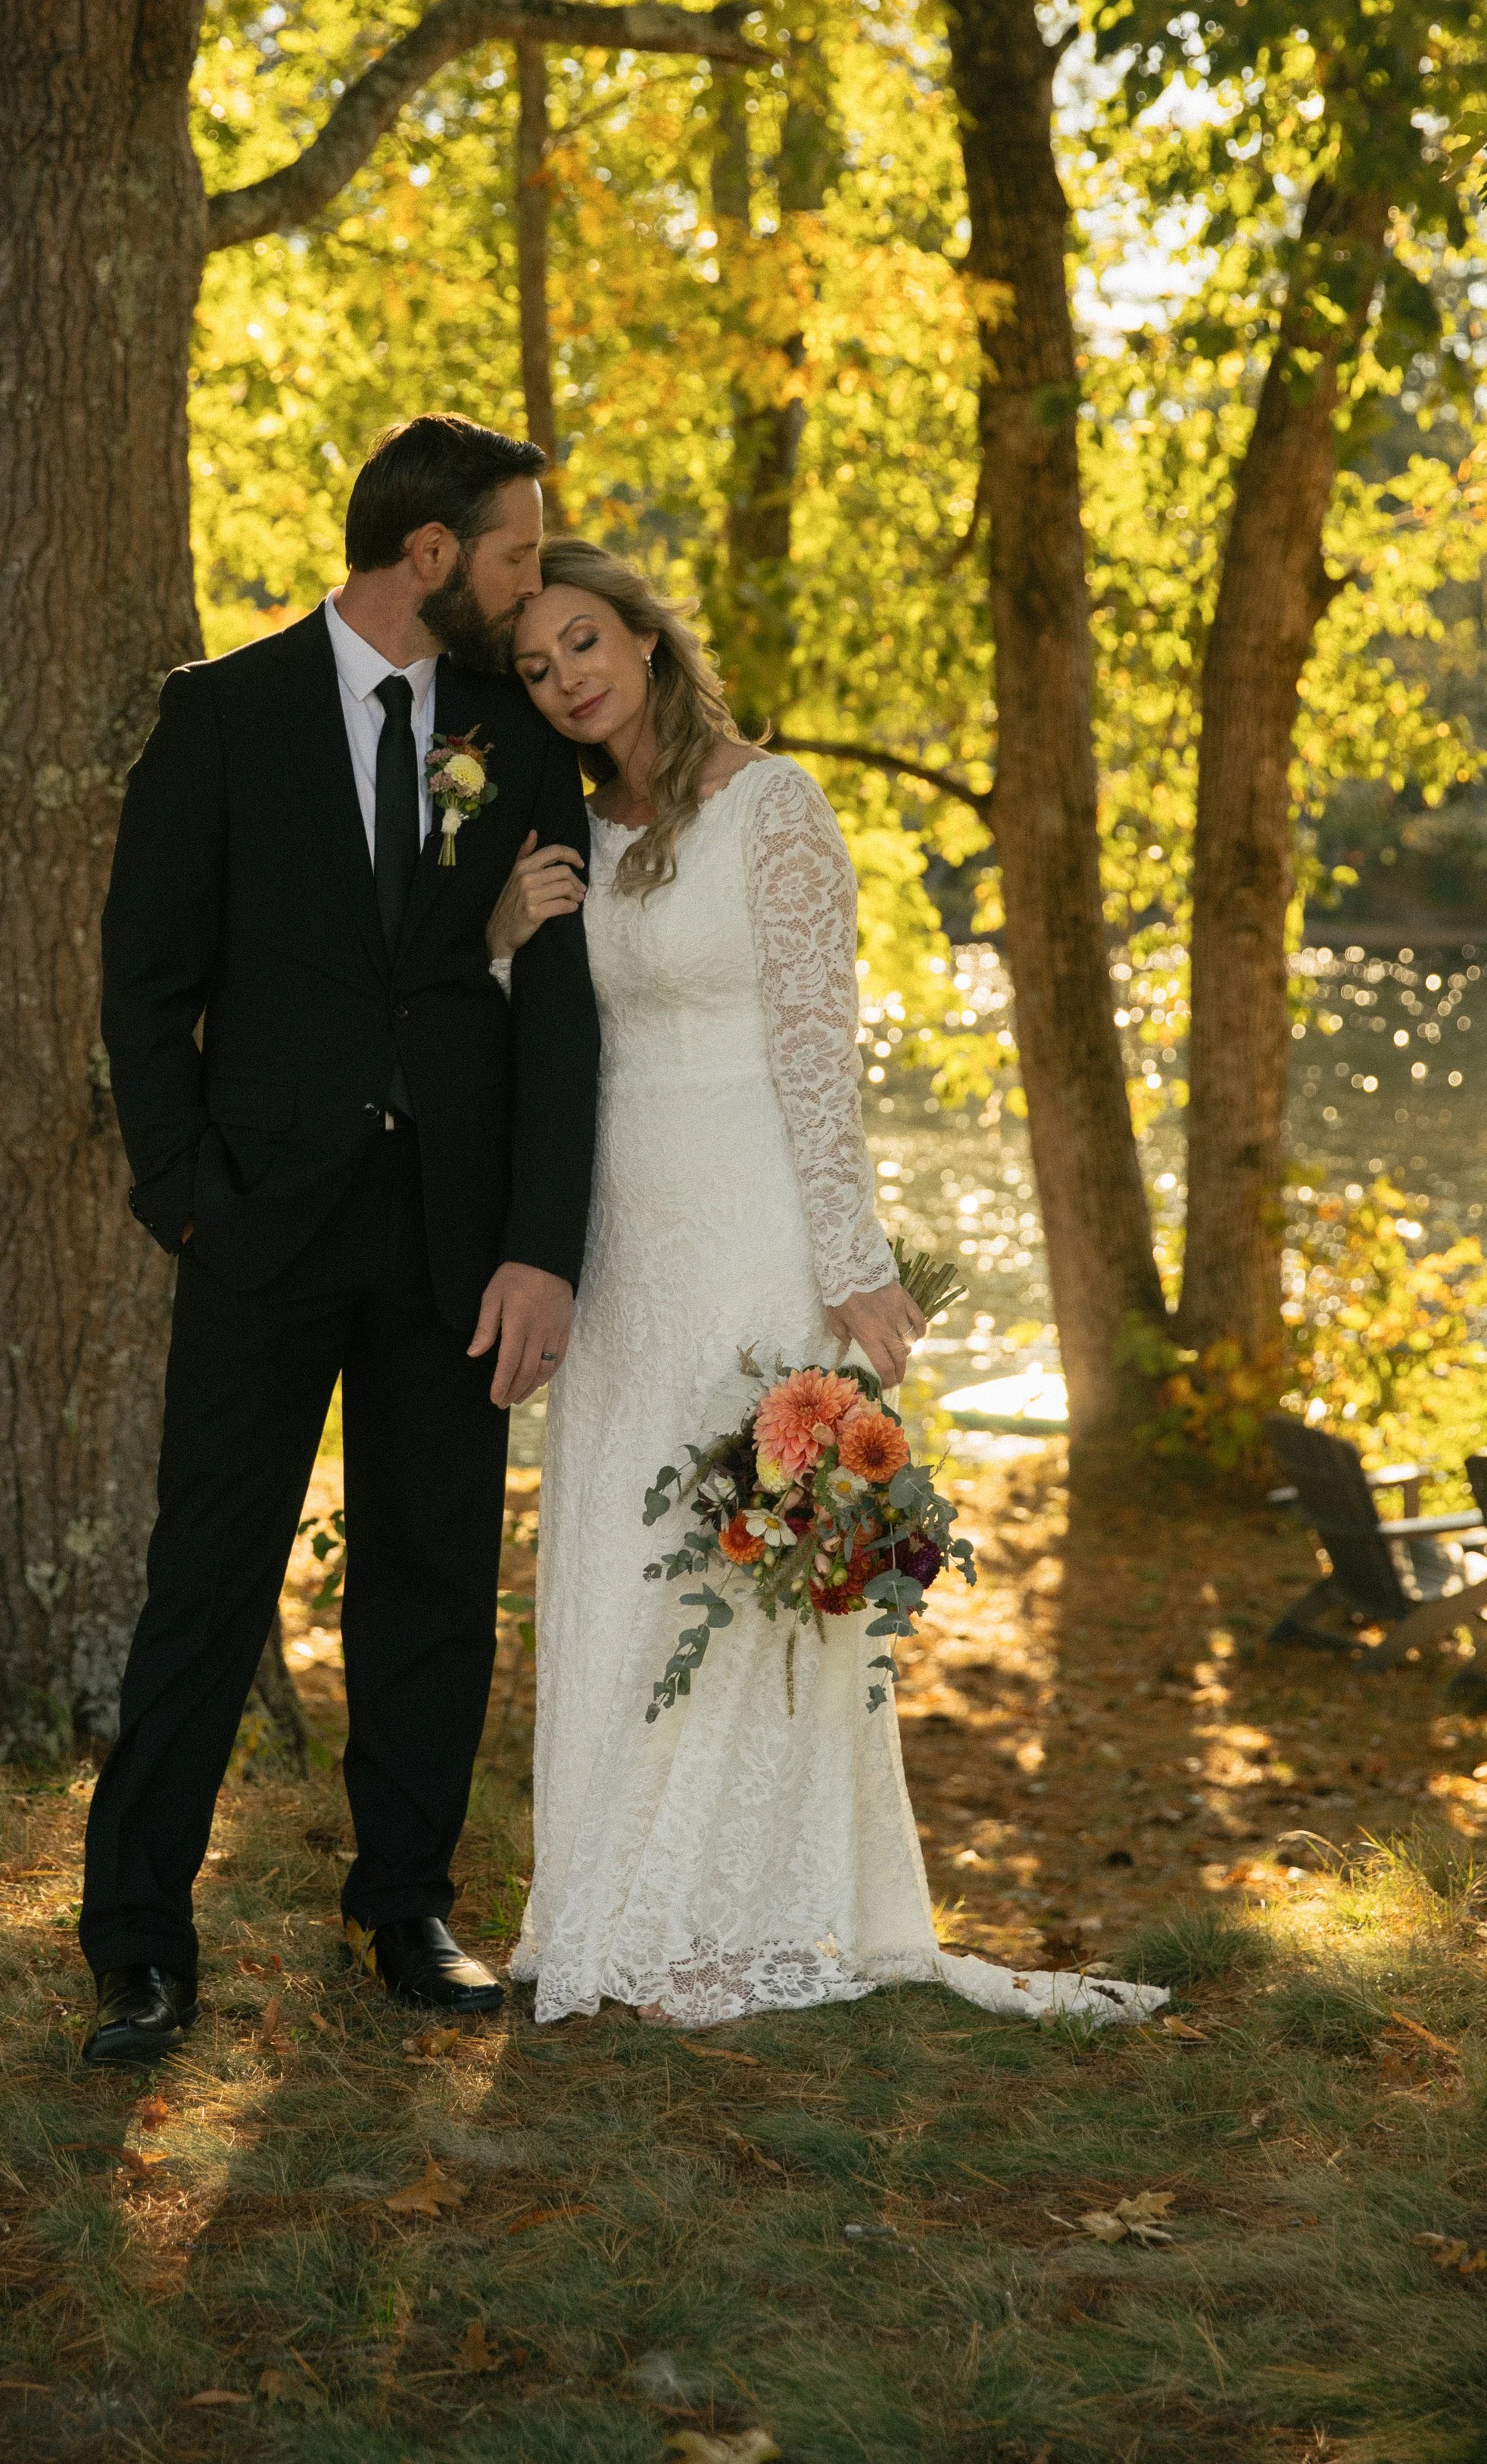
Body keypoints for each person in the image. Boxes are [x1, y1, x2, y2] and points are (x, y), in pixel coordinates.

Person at [491, 538, 1164, 2032]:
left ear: (648, 641)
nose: (566, 679)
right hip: (617, 1237)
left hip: (746, 1236)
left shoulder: (773, 810)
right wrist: (499, 942)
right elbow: (536, 1050)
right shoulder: (574, 836)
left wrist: (852, 1268)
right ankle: (604, 1898)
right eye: (535, 668)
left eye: (584, 643)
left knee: (734, 1561)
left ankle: (748, 1907)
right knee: (616, 1550)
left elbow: (814, 1053)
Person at [79, 417, 600, 2064]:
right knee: (206, 1586)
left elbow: (552, 1009)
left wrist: (540, 1245)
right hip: (256, 1229)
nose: (536, 586)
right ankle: (138, 1943)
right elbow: (143, 985)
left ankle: (406, 1908)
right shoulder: (219, 716)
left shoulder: (515, 740)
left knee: (431, 1578)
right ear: (430, 554)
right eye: (517, 553)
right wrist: (184, 1195)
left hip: (449, 1235)